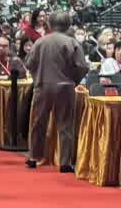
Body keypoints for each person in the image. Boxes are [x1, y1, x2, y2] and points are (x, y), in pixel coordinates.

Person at [25, 11, 88, 172]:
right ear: (68, 25)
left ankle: (33, 157)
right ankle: (65, 162)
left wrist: (38, 76)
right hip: (65, 86)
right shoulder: (72, 43)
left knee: (38, 122)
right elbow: (82, 66)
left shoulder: (40, 42)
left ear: (50, 24)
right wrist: (73, 80)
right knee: (65, 125)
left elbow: (29, 63)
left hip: (43, 85)